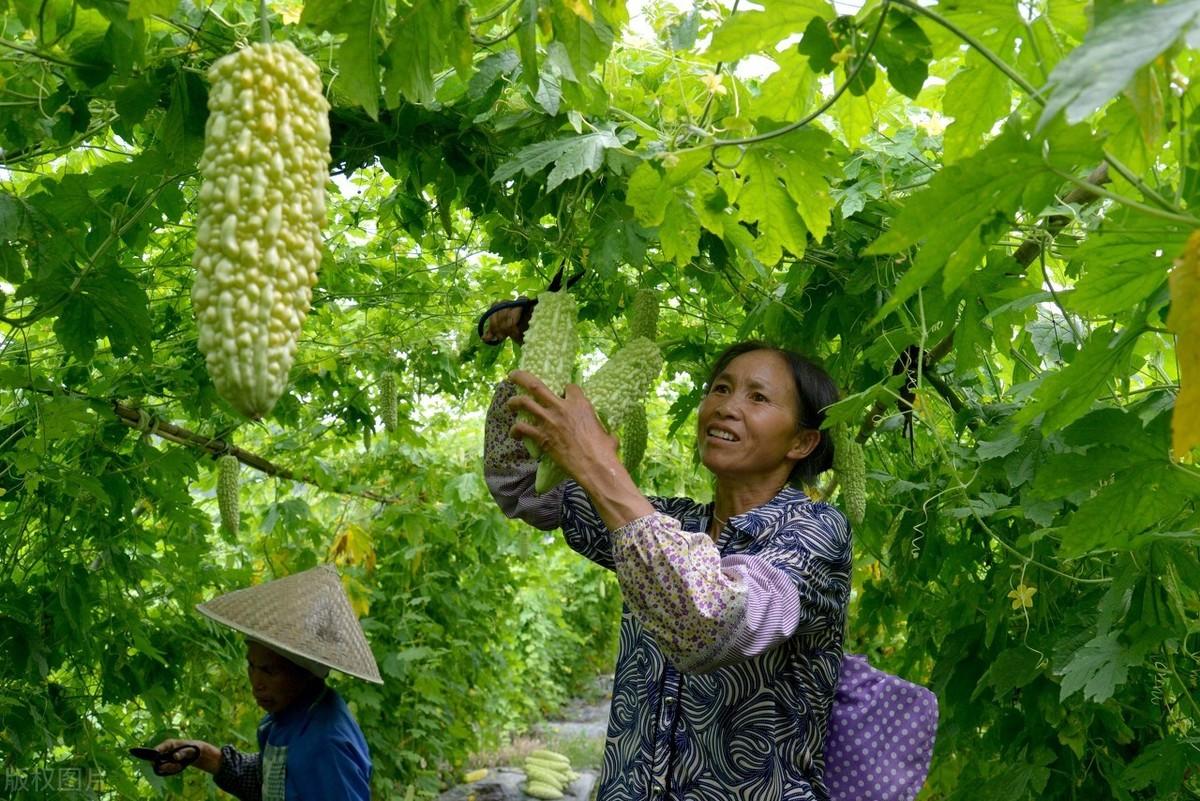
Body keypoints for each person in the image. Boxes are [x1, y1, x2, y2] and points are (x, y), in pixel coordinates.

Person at [483, 304, 853, 801]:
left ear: (803, 442)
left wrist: (597, 464)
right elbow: (523, 487)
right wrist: (536, 371)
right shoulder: (671, 524)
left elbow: (711, 623)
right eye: (720, 388)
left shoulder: (814, 535)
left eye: (758, 397)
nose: (726, 405)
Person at [148, 564, 381, 801]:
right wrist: (203, 755)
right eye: (252, 666)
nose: (257, 683)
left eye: (269, 671)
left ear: (306, 672)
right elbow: (273, 780)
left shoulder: (327, 745)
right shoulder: (293, 716)